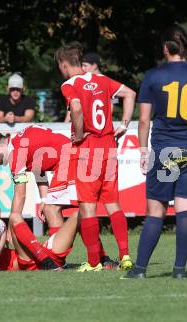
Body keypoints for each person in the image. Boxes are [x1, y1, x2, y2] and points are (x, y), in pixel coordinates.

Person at [124, 25, 187, 279]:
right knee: (185, 209)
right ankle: (179, 271)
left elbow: (143, 121)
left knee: (156, 210)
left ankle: (140, 270)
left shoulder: (153, 76)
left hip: (165, 152)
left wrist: (143, 151)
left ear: (166, 48)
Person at [0, 125, 119, 270]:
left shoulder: (15, 153)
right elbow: (39, 169)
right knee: (56, 209)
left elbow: (20, 194)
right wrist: (44, 200)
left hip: (72, 160)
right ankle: (93, 259)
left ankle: (81, 259)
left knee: (59, 210)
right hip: (76, 158)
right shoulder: (21, 139)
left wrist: (11, 226)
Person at [55, 42, 136, 272]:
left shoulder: (69, 84)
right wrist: (124, 125)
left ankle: (93, 262)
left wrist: (79, 134)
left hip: (87, 149)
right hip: (108, 146)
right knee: (113, 204)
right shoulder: (101, 79)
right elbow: (130, 94)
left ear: (63, 65)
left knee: (88, 208)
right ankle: (125, 255)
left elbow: (77, 109)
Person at [64, 53, 103, 122]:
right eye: (82, 65)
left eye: (85, 65)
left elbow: (110, 106)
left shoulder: (107, 83)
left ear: (94, 66)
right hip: (83, 125)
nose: (82, 68)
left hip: (100, 125)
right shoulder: (80, 82)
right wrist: (65, 124)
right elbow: (73, 105)